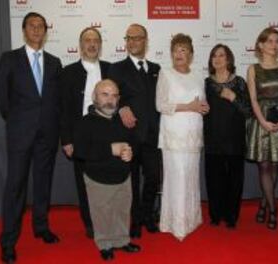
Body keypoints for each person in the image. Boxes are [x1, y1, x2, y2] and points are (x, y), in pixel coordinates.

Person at [0, 12, 62, 263]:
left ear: (46, 31)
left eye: (41, 26)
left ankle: (41, 227)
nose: (36, 29)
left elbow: (56, 101)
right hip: (20, 133)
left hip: (48, 134)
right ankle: (8, 241)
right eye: (32, 26)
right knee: (15, 186)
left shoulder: (55, 63)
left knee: (43, 182)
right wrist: (18, 122)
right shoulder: (9, 59)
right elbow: (2, 99)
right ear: (24, 30)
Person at [73, 79, 140, 261]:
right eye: (105, 94)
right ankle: (105, 244)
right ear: (95, 97)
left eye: (114, 95)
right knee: (102, 213)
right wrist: (111, 149)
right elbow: (79, 151)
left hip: (123, 177)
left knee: (122, 210)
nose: (110, 99)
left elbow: (131, 143)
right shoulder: (86, 122)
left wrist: (129, 152)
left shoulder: (122, 121)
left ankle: (121, 240)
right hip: (98, 178)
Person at [107, 24, 161, 238]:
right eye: (128, 38)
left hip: (153, 135)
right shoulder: (116, 68)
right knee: (131, 182)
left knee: (153, 178)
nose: (132, 42)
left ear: (145, 41)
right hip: (128, 136)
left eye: (136, 38)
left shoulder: (157, 68)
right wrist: (121, 107)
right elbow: (110, 97)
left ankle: (148, 214)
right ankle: (135, 221)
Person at [156, 33, 209, 240]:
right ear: (171, 54)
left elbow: (201, 103)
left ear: (191, 54)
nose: (179, 53)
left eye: (184, 50)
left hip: (193, 134)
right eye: (176, 50)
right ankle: (176, 224)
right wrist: (189, 106)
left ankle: (191, 219)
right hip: (174, 135)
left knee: (190, 177)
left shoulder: (197, 76)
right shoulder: (165, 74)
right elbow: (160, 105)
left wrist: (203, 107)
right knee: (176, 176)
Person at [59, 27, 110, 239]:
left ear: (100, 45)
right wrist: (67, 140)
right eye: (87, 40)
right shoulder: (68, 72)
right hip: (80, 137)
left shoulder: (110, 69)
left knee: (107, 180)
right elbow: (62, 109)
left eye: (95, 40)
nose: (92, 44)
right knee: (84, 183)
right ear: (81, 45)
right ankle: (90, 223)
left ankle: (108, 222)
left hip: (107, 135)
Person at [246, 27, 278, 230]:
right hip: (262, 120)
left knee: (275, 165)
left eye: (277, 41)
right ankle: (274, 209)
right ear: (260, 45)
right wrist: (263, 122)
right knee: (264, 165)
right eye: (269, 41)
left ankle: (264, 204)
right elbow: (253, 100)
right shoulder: (253, 69)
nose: (274, 45)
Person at [203, 44, 251, 229]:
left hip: (234, 138)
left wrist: (233, 98)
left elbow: (248, 111)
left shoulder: (239, 82)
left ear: (229, 59)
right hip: (213, 138)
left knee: (234, 179)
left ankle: (231, 216)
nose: (217, 59)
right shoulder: (206, 83)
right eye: (214, 55)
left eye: (221, 55)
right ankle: (216, 214)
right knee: (214, 179)